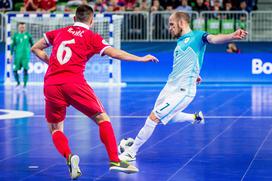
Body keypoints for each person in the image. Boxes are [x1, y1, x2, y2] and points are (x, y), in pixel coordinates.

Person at [31, 5, 158, 180]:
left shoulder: (59, 32)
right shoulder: (91, 37)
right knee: (102, 118)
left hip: (51, 84)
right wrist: (140, 58)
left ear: (74, 19)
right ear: (92, 21)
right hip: (74, 83)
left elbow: (35, 48)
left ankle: (69, 157)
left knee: (55, 129)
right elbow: (114, 53)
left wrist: (51, 63)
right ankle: (114, 160)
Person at [119, 11, 248, 162]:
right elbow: (187, 63)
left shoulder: (198, 36)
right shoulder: (180, 42)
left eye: (172, 24)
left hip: (183, 91)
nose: (170, 28)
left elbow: (214, 39)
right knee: (162, 116)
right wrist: (195, 73)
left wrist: (231, 36)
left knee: (154, 117)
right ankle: (195, 117)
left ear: (181, 23)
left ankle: (131, 152)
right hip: (169, 87)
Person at [10, 22, 34, 91]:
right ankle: (18, 83)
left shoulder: (28, 35)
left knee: (25, 70)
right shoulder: (15, 36)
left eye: (23, 27)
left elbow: (33, 45)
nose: (22, 28)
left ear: (25, 28)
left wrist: (35, 51)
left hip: (25, 57)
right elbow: (12, 46)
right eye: (21, 27)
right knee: (14, 70)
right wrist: (11, 55)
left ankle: (25, 85)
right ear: (18, 27)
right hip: (17, 57)